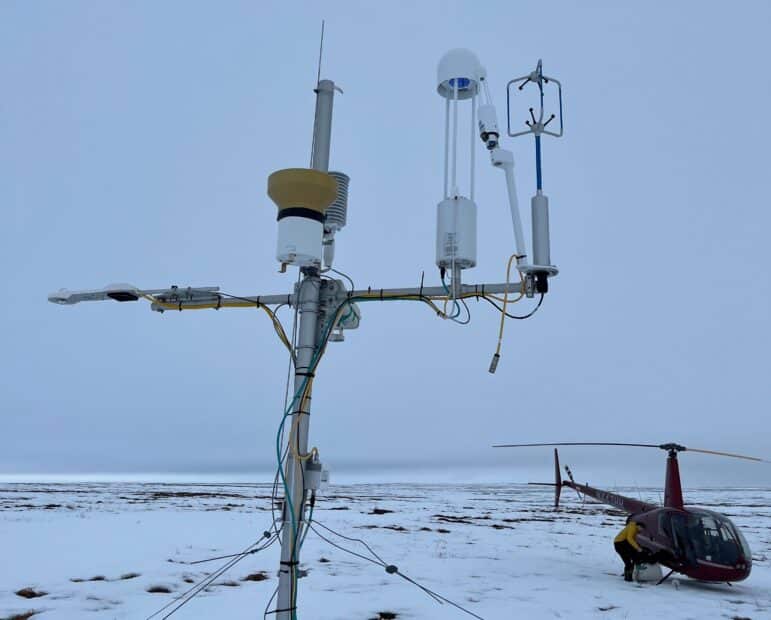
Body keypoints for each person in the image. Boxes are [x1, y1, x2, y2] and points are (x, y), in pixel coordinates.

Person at [614, 517, 647, 581]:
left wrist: (638, 547)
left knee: (630, 559)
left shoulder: (634, 528)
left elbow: (632, 540)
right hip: (620, 543)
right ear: (639, 526)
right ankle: (631, 572)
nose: (642, 530)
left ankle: (630, 574)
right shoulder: (633, 527)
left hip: (621, 543)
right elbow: (630, 539)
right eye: (642, 528)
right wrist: (638, 548)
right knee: (630, 557)